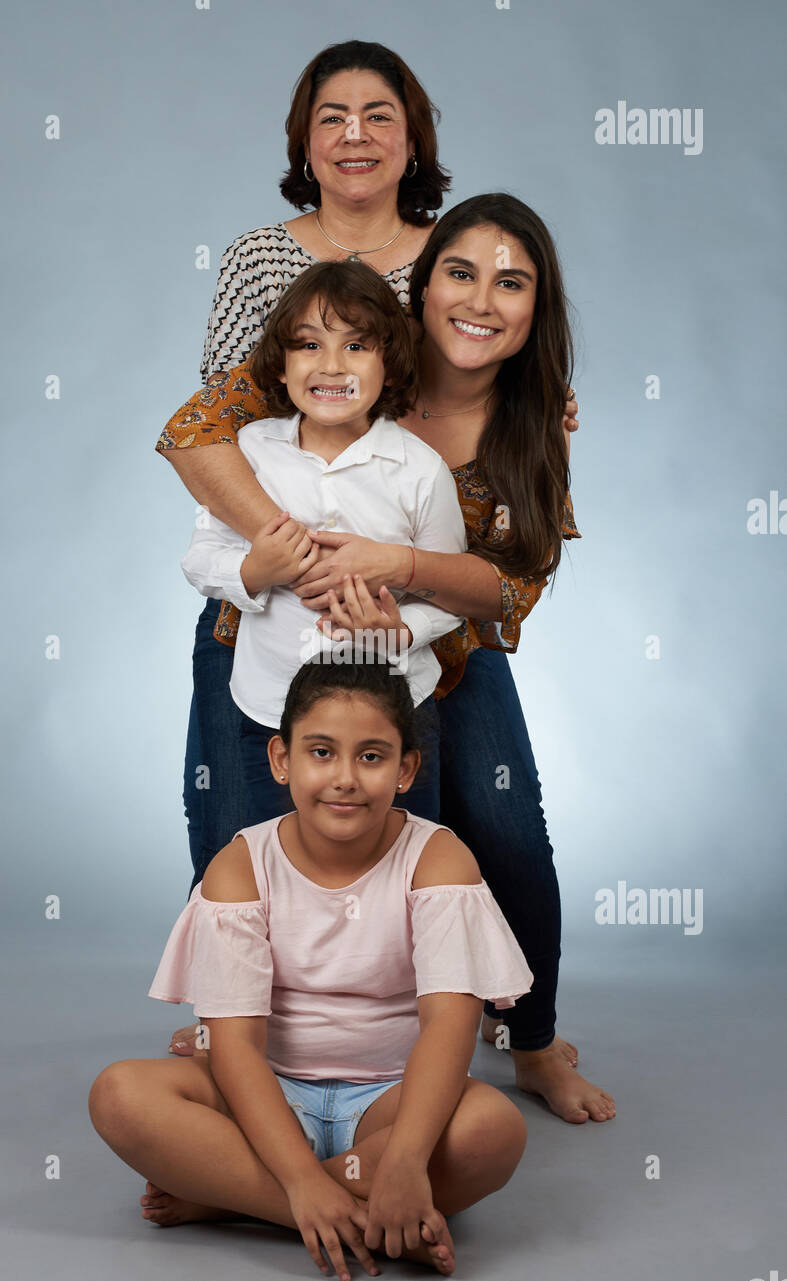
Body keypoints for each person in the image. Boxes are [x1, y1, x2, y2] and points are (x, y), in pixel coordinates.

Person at [159, 189, 615, 1125]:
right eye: (458, 273)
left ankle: (525, 1038)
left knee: (493, 827)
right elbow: (192, 436)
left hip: (433, 647)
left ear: (536, 310)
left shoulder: (532, 420)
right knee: (243, 823)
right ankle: (248, 1026)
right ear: (420, 289)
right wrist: (287, 558)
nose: (480, 300)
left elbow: (514, 586)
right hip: (277, 634)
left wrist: (397, 588)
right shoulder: (354, 352)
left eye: (510, 283)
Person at [89, 658, 533, 1281]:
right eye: (320, 752)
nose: (344, 778)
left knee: (493, 1130)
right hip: (270, 1097)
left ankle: (230, 1198)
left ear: (406, 770)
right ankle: (349, 1216)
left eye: (372, 757)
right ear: (281, 759)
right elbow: (236, 1049)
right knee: (120, 1095)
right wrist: (299, 1179)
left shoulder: (437, 861)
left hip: (390, 1101)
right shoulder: (241, 866)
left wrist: (406, 1158)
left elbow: (447, 1029)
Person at [180, 257, 467, 824]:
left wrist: (403, 630)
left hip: (395, 710)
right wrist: (256, 570)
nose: (332, 366)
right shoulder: (252, 454)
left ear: (391, 364)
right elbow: (200, 559)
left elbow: (451, 596)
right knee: (271, 862)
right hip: (271, 705)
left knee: (397, 868)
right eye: (309, 345)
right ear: (281, 366)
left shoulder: (420, 470)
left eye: (357, 346)